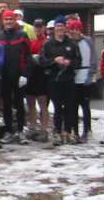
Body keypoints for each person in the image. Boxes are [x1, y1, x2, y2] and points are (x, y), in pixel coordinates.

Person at [40, 17, 80, 146]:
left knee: (69, 106)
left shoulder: (72, 44)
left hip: (68, 79)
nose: (60, 29)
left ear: (65, 28)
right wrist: (54, 61)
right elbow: (42, 61)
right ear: (54, 29)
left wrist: (70, 62)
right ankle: (57, 132)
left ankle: (68, 132)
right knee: (57, 107)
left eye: (62, 26)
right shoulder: (48, 44)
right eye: (58, 27)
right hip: (54, 79)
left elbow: (78, 61)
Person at [0, 9, 32, 145]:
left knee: (19, 104)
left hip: (18, 76)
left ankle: (21, 130)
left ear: (15, 20)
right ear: (3, 21)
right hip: (4, 76)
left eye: (11, 19)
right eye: (6, 19)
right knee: (6, 105)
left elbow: (28, 56)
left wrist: (25, 74)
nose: (9, 22)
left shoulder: (22, 35)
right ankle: (9, 130)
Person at [68, 19, 97, 143]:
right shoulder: (69, 42)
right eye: (72, 29)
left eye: (77, 29)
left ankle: (87, 130)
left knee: (85, 106)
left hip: (86, 75)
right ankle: (74, 130)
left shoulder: (88, 41)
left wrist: (91, 74)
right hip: (73, 77)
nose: (75, 32)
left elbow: (93, 58)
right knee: (73, 106)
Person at [26, 19, 51, 142]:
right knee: (30, 103)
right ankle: (32, 128)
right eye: (36, 27)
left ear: (44, 28)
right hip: (31, 75)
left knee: (43, 104)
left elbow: (49, 60)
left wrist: (40, 59)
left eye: (40, 27)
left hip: (43, 76)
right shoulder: (31, 42)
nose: (38, 29)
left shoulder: (48, 42)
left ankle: (44, 129)